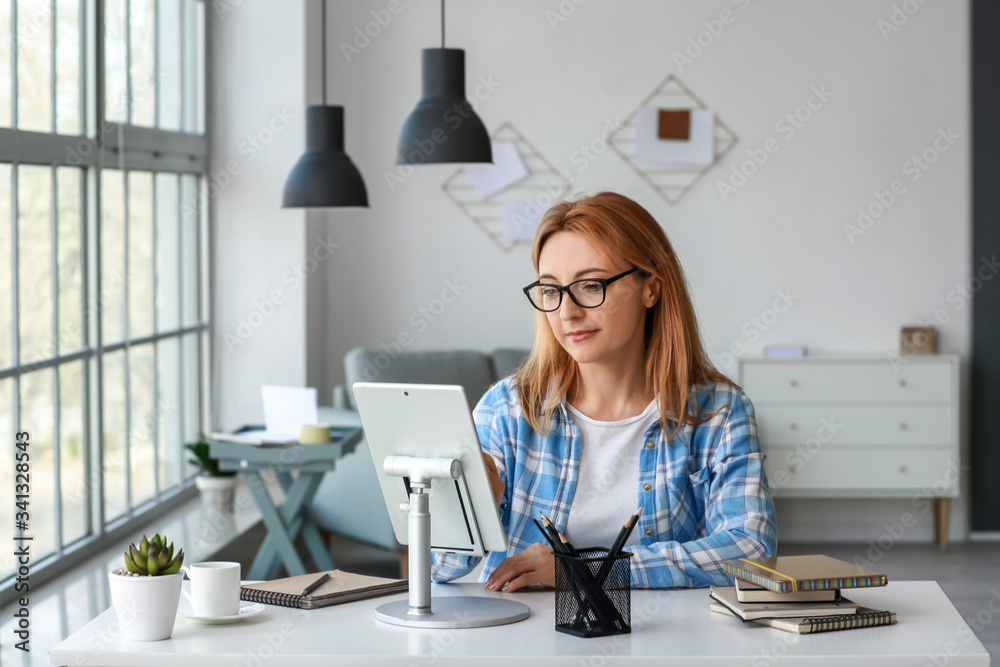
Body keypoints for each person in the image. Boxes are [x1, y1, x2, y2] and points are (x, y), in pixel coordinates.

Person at [431, 191, 776, 590]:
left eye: (591, 285)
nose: (567, 312)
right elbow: (439, 570)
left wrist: (586, 572)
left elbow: (752, 548)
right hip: (521, 643)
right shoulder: (506, 409)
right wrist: (471, 508)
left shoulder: (718, 411)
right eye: (550, 290)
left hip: (663, 643)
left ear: (651, 288)